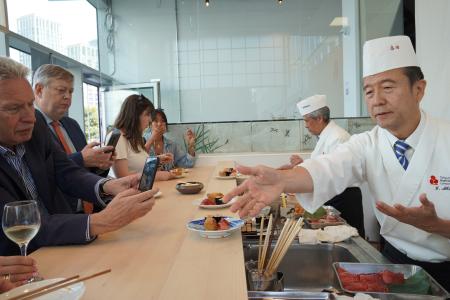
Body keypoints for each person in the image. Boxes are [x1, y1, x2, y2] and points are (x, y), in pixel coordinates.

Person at [224, 36, 450, 290]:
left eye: (388, 88)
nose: (377, 100)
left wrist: (439, 226)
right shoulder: (366, 143)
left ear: (419, 89)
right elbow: (328, 167)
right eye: (369, 91)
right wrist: (283, 180)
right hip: (394, 263)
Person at [0, 56, 158, 256]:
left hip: (62, 245)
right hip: (19, 264)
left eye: (30, 105)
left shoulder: (36, 128)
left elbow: (66, 171)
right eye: (14, 108)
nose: (29, 117)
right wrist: (101, 221)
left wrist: (107, 186)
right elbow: (18, 226)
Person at [279, 95, 365, 237]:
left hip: (344, 198)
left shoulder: (338, 137)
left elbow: (334, 173)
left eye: (307, 120)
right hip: (333, 195)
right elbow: (323, 166)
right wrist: (301, 166)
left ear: (319, 118)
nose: (305, 125)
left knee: (350, 239)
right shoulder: (326, 136)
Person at [33, 64, 114, 213]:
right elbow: (45, 173)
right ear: (39, 90)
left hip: (90, 211)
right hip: (61, 218)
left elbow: (85, 172)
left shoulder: (72, 125)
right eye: (61, 90)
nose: (67, 97)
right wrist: (81, 158)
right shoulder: (31, 128)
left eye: (70, 91)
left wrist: (99, 164)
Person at [108, 95, 173, 180]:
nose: (150, 120)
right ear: (134, 115)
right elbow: (123, 179)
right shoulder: (118, 138)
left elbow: (138, 164)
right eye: (147, 115)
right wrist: (157, 176)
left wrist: (157, 160)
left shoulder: (134, 137)